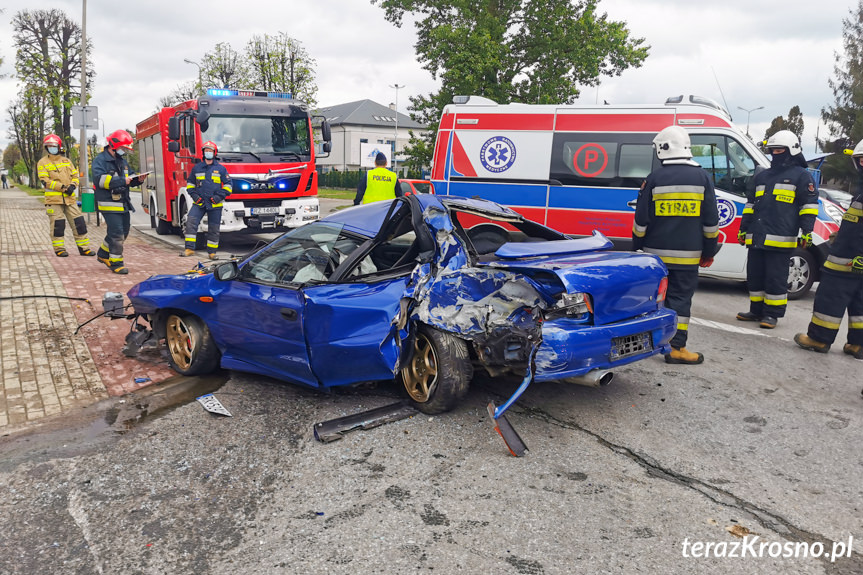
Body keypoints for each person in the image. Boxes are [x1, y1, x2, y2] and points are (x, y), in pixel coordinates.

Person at [633, 125, 719, 364]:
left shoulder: (653, 178)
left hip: (654, 257)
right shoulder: (702, 178)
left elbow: (641, 221)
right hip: (687, 258)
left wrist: (636, 248)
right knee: (680, 301)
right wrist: (709, 252)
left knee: (654, 299)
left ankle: (647, 342)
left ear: (663, 148)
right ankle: (676, 348)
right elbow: (711, 223)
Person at [736, 130, 818, 329]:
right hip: (756, 236)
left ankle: (772, 315)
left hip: (781, 239)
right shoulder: (762, 176)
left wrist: (807, 231)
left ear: (792, 151)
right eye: (772, 150)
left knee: (775, 279)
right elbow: (750, 205)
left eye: (780, 149)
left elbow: (808, 206)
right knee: (755, 276)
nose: (775, 153)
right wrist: (743, 228)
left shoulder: (802, 176)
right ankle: (756, 311)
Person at [794, 140, 863, 360]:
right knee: (860, 301)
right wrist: (839, 235)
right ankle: (858, 344)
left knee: (829, 297)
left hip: (848, 261)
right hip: (852, 257)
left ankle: (819, 338)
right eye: (860, 161)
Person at [92, 129, 148, 274]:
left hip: (123, 203)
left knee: (124, 231)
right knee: (116, 233)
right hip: (108, 203)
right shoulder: (100, 160)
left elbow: (129, 178)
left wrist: (137, 180)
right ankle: (116, 263)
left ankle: (103, 254)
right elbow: (100, 180)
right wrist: (122, 180)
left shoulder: (122, 162)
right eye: (123, 148)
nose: (124, 151)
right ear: (113, 145)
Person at [36, 134, 95, 257]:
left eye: (54, 146)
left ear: (59, 146)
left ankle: (84, 248)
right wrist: (62, 188)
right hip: (54, 200)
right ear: (46, 147)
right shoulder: (42, 162)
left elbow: (75, 175)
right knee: (58, 225)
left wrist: (73, 186)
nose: (51, 148)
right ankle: (59, 249)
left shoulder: (67, 161)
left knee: (79, 222)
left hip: (69, 198)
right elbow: (45, 181)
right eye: (49, 146)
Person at [181, 141, 232, 259]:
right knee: (191, 223)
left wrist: (218, 197)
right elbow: (190, 184)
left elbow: (229, 185)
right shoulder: (197, 168)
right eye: (206, 151)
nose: (208, 153)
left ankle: (212, 253)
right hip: (199, 202)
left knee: (213, 228)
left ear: (214, 153)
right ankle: (189, 249)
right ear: (203, 153)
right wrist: (195, 196)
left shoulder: (221, 169)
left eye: (210, 151)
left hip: (215, 204)